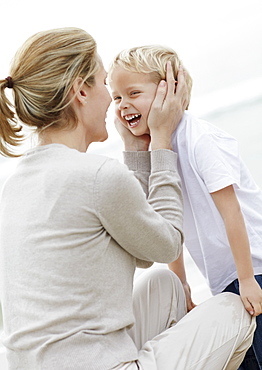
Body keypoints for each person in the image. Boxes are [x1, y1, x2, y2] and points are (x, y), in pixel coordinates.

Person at [0, 28, 255, 370]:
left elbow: (137, 240)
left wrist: (136, 150)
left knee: (165, 286)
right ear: (81, 91)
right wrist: (161, 140)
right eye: (105, 85)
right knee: (233, 309)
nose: (112, 101)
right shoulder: (94, 175)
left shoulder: (18, 184)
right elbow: (164, 245)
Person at [109, 44, 262, 369]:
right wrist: (182, 286)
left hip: (255, 269)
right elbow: (168, 224)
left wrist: (248, 279)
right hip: (225, 278)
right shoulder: (160, 151)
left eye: (133, 92)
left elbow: (231, 212)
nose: (123, 105)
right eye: (116, 97)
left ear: (169, 89)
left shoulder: (198, 139)